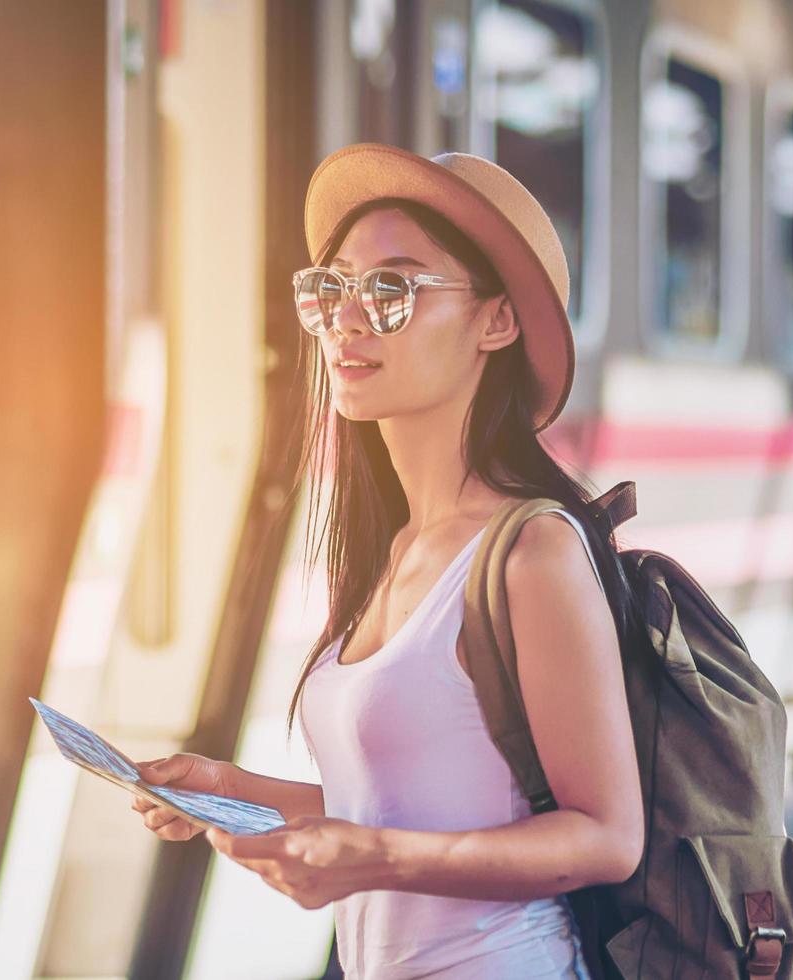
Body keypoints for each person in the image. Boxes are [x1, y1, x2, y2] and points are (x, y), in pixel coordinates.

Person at [131, 144, 646, 978]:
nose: (347, 319)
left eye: (393, 289)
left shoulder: (532, 550)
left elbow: (606, 836)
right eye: (332, 289)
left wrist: (376, 858)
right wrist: (227, 787)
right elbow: (401, 811)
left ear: (496, 321)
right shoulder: (393, 548)